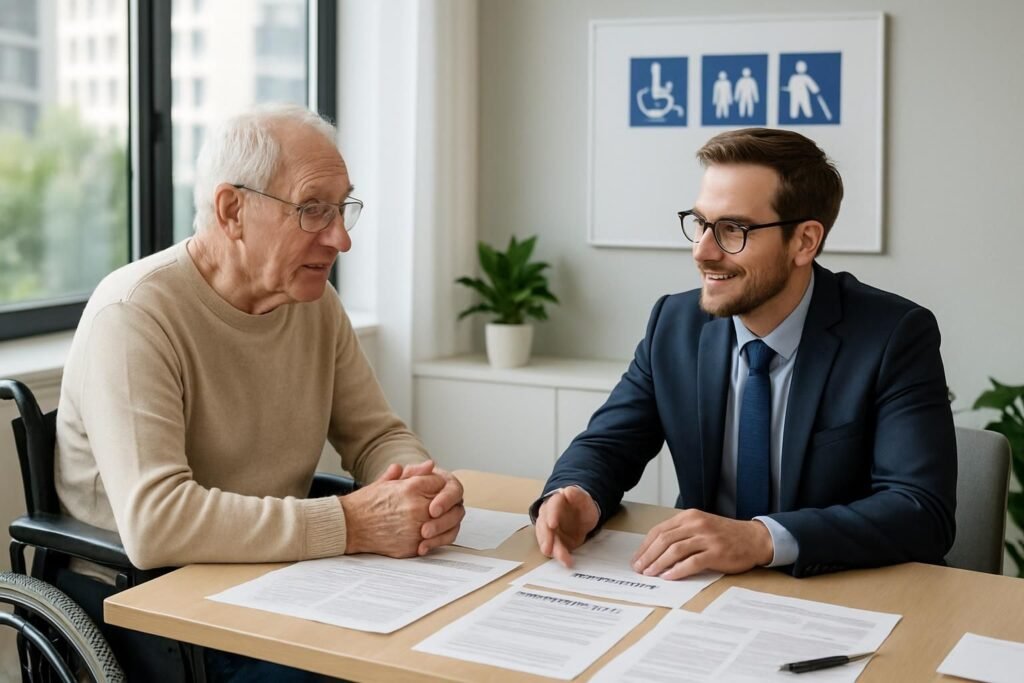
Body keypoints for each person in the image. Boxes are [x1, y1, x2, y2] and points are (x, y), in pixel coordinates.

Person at [54, 103, 464, 680]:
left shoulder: (314, 305)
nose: (341, 238)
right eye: (313, 210)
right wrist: (351, 523)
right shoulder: (135, 314)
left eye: (343, 208)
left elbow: (376, 434)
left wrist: (422, 493)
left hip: (274, 580)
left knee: (439, 648)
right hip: (144, 605)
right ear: (232, 210)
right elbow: (155, 523)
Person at [532, 127, 956, 581]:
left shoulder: (893, 335)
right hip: (701, 589)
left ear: (804, 242)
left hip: (840, 590)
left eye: (733, 229)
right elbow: (608, 445)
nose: (703, 251)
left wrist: (761, 538)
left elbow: (919, 509)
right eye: (700, 223)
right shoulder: (675, 325)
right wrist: (578, 493)